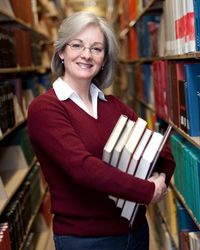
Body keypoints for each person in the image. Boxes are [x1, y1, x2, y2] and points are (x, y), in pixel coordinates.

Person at [27, 11, 175, 250]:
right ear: (61, 51)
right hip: (86, 240)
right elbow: (83, 168)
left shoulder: (114, 106)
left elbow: (162, 151)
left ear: (105, 59)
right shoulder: (45, 109)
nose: (86, 55)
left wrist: (161, 178)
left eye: (97, 48)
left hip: (136, 232)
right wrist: (148, 190)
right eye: (77, 45)